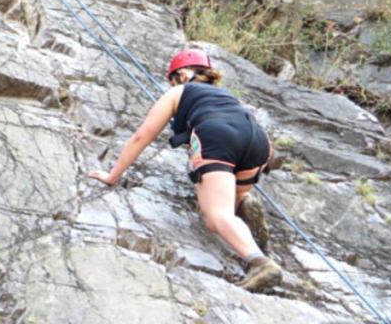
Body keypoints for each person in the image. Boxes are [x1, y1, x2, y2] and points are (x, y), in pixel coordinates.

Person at [88, 48, 283, 292]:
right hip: (258, 141)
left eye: (171, 80)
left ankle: (260, 262)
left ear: (181, 75)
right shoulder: (226, 96)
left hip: (217, 135)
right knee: (230, 200)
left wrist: (112, 176)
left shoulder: (179, 91)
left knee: (216, 217)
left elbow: (143, 136)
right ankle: (243, 200)